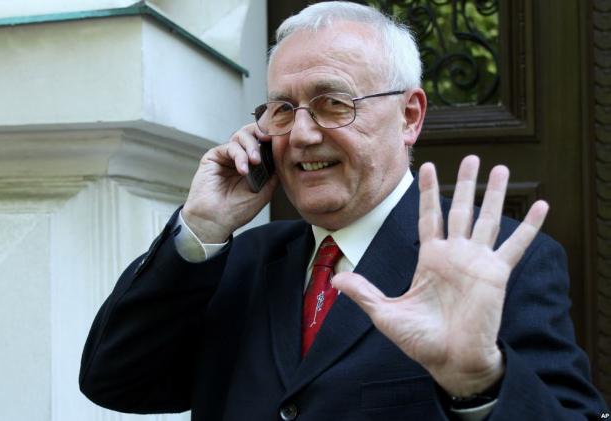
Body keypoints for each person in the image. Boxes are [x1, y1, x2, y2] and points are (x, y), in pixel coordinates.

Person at [79, 2, 607, 420]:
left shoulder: (495, 260)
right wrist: (200, 228)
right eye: (283, 109)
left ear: (409, 116)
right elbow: (117, 382)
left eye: (333, 103)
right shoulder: (235, 260)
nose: (302, 134)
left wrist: (479, 384)